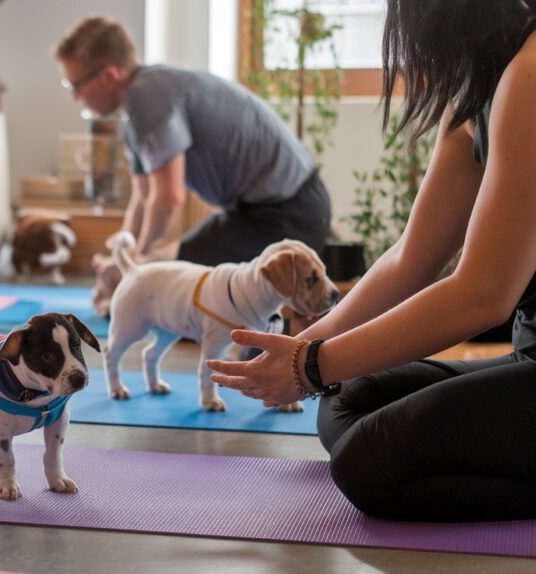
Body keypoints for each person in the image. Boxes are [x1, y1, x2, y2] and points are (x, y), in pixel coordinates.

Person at [208, 0, 536, 522]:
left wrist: (309, 368)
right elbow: (411, 258)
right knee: (347, 398)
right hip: (528, 357)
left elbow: (483, 294)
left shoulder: (530, 71)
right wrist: (305, 349)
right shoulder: (482, 85)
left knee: (367, 464)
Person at [54, 17, 332, 314]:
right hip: (255, 214)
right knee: (161, 264)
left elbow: (168, 199)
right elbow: (143, 196)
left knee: (174, 283)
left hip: (289, 214)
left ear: (109, 74)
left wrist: (133, 269)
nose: (75, 97)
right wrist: (120, 258)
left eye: (76, 85)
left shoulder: (148, 95)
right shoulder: (137, 104)